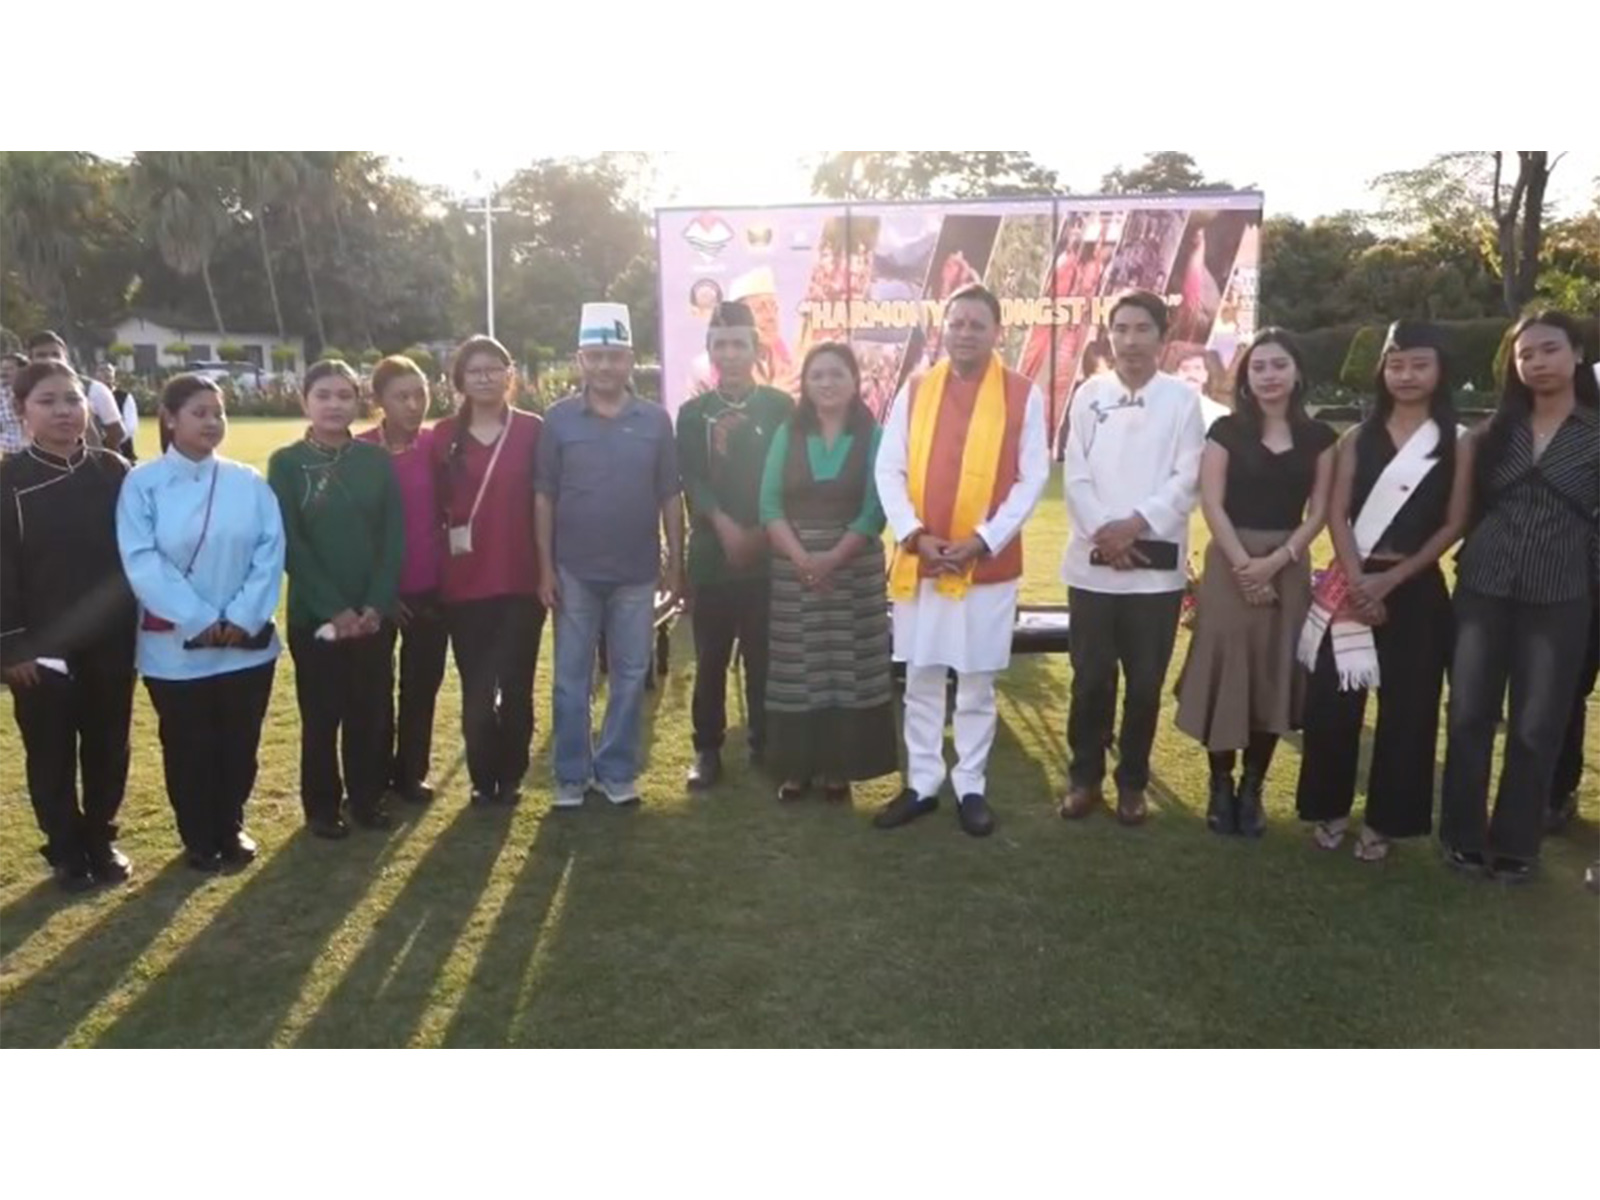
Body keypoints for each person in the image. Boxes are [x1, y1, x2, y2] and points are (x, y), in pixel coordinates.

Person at [873, 283, 1051, 837]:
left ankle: (970, 785)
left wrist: (981, 539)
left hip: (986, 567)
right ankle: (923, 782)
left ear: (998, 332)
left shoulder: (1023, 394)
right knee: (922, 675)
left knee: (975, 680)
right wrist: (914, 534)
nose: (966, 332)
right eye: (957, 322)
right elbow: (888, 470)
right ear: (942, 329)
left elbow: (1032, 478)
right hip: (922, 559)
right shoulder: (917, 388)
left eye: (978, 324)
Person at [1295, 322, 1471, 861]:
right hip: (1351, 581)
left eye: (1419, 365)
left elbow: (1454, 522)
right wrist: (1357, 579)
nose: (1407, 375)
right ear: (1382, 371)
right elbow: (1336, 514)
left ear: (1439, 371)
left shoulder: (1459, 441)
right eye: (1396, 365)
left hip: (1415, 588)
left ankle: (1385, 822)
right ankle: (1328, 809)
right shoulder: (1357, 437)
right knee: (1333, 703)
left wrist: (1391, 580)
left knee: (1409, 711)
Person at [1440, 311, 1599, 883]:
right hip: (1484, 584)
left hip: (1561, 593)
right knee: (1470, 714)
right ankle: (1461, 834)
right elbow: (1460, 511)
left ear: (1577, 354)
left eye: (1549, 350)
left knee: (1538, 724)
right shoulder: (1490, 432)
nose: (1537, 363)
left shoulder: (1594, 432)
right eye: (1526, 354)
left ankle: (1516, 844)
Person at [117, 374, 284, 872]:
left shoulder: (247, 482)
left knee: (240, 741)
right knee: (188, 745)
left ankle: (230, 824)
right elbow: (142, 560)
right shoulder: (141, 483)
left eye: (218, 412)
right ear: (170, 418)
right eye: (199, 412)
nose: (212, 422)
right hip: (175, 647)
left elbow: (269, 551)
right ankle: (198, 836)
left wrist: (240, 616)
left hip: (245, 641)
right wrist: (199, 619)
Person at [1173, 330, 1336, 836]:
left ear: (1297, 372)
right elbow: (1211, 502)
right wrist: (1246, 565)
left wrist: (1279, 560)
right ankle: (1220, 783)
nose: (1268, 375)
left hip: (1288, 563)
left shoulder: (1320, 439)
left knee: (1273, 671)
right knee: (1228, 668)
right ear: (1246, 376)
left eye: (1278, 365)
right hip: (1230, 559)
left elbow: (1321, 511)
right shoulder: (1225, 431)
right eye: (1259, 367)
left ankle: (1253, 788)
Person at [1059, 289, 1205, 826]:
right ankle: (1084, 779)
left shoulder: (1182, 401)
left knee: (1144, 686)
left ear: (1162, 339)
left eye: (1143, 329)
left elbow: (1187, 477)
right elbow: (1074, 474)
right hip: (1092, 567)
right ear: (1109, 335)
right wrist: (1104, 532)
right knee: (1090, 680)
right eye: (1121, 329)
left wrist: (1135, 526)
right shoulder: (1089, 394)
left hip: (1156, 573)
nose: (1131, 340)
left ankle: (1132, 783)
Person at [537, 303, 684, 809]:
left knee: (629, 676)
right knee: (570, 680)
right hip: (574, 570)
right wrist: (544, 567)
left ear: (631, 360)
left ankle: (617, 771)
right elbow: (544, 497)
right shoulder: (557, 421)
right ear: (581, 359)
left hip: (637, 572)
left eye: (615, 356)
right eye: (596, 356)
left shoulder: (655, 421)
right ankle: (571, 775)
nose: (605, 367)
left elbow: (670, 494)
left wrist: (676, 564)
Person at [1, 361, 138, 890]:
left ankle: (100, 838)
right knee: (51, 750)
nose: (63, 411)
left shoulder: (113, 471)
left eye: (73, 399)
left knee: (109, 743)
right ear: (22, 411)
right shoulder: (9, 481)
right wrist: (12, 647)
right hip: (39, 649)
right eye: (47, 401)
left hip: (111, 638)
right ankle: (65, 849)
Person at [268, 359, 405, 839]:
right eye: (323, 395)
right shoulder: (286, 464)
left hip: (372, 616)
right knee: (323, 714)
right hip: (316, 617)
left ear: (358, 402)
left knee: (370, 710)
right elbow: (292, 545)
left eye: (344, 396)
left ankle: (367, 799)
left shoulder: (376, 460)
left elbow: (393, 539)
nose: (333, 405)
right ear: (305, 401)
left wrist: (374, 604)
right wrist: (335, 608)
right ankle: (322, 808)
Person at [761, 342, 898, 803]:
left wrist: (831, 559)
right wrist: (803, 560)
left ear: (855, 381)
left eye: (836, 374)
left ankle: (839, 768)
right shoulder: (788, 432)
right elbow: (768, 504)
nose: (826, 383)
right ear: (804, 383)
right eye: (816, 375)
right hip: (792, 571)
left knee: (847, 669)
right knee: (800, 671)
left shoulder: (873, 436)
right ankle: (796, 769)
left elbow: (875, 510)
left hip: (852, 572)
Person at [675, 302, 793, 790]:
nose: (731, 353)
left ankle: (765, 740)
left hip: (768, 551)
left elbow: (787, 476)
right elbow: (692, 479)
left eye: (739, 344)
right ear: (709, 351)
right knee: (710, 657)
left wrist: (761, 533)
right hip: (712, 554)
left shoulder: (780, 408)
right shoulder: (692, 413)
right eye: (720, 344)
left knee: (764, 653)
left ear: (755, 349)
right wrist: (724, 527)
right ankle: (707, 749)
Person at [430, 335, 545, 807]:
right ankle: (483, 777)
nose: (484, 377)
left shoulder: (533, 430)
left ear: (508, 375)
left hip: (522, 578)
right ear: (460, 381)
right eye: (474, 371)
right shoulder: (441, 436)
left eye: (493, 369)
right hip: (465, 584)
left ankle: (512, 774)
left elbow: (546, 501)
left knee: (517, 685)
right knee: (477, 686)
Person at [360, 355, 449, 807]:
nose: (414, 405)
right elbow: (352, 530)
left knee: (421, 686)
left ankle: (410, 773)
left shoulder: (437, 446)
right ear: (379, 401)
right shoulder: (359, 451)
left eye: (421, 395)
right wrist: (382, 593)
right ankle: (372, 777)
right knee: (374, 689)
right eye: (402, 397)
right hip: (375, 594)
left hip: (432, 587)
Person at [28, 332, 126, 455]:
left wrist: (99, 456)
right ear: (30, 360)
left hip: (85, 467)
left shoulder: (94, 389)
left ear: (65, 358)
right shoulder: (21, 392)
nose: (50, 360)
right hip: (33, 466)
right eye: (41, 355)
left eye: (55, 355)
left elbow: (116, 432)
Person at [97, 362, 139, 462]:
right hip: (97, 452)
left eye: (109, 370)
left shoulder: (125, 397)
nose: (106, 373)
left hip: (123, 451)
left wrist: (112, 442)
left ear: (114, 374)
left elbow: (131, 426)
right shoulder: (91, 397)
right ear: (96, 375)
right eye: (102, 370)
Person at [0, 352, 28, 456]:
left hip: (29, 447)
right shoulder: (2, 392)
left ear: (22, 371)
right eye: (2, 368)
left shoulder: (32, 391)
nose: (3, 372)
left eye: (9, 369)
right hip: (4, 448)